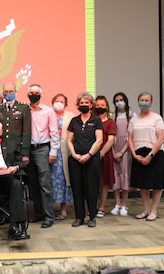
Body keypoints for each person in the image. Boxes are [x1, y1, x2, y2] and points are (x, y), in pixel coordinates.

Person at [128, 92, 164, 222]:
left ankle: (154, 211)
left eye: (146, 100)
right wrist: (134, 154)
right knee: (143, 184)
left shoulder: (156, 118)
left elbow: (161, 138)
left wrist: (151, 155)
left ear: (151, 102)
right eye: (141, 100)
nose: (144, 102)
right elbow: (130, 138)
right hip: (139, 154)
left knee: (156, 184)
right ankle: (146, 209)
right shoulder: (133, 119)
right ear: (138, 101)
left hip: (155, 153)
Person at [25, 84, 60, 228]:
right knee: (33, 183)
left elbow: (54, 132)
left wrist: (53, 152)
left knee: (45, 184)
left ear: (41, 94)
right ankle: (38, 213)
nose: (34, 95)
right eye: (31, 93)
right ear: (28, 95)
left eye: (36, 93)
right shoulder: (25, 110)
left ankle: (49, 216)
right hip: (27, 150)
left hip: (42, 149)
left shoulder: (48, 111)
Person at [67, 92, 103, 228]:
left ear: (91, 105)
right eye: (81, 103)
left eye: (86, 103)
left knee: (91, 189)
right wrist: (74, 154)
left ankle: (92, 217)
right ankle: (79, 217)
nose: (83, 105)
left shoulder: (96, 120)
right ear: (77, 105)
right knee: (77, 189)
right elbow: (69, 140)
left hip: (92, 160)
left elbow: (99, 140)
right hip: (75, 159)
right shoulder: (74, 121)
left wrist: (89, 154)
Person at [110, 92, 135, 216]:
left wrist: (121, 152)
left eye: (121, 99)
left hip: (126, 150)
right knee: (115, 176)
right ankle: (117, 203)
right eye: (116, 100)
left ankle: (124, 204)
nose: (119, 102)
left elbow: (131, 136)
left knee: (125, 175)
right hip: (113, 149)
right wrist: (114, 152)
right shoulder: (112, 116)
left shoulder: (131, 115)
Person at [0, 82, 31, 165]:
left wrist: (25, 153)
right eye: (6, 91)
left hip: (17, 148)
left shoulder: (23, 108)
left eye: (11, 91)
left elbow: (26, 131)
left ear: (15, 92)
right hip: (2, 147)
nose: (8, 93)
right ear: (2, 93)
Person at [50, 93, 74, 220]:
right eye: (56, 100)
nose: (59, 103)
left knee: (63, 179)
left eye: (62, 101)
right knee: (49, 180)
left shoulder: (70, 116)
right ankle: (49, 210)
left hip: (64, 151)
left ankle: (63, 210)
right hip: (49, 150)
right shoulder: (48, 113)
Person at [94, 95, 116, 218]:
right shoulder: (91, 120)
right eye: (97, 105)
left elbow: (111, 140)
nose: (100, 107)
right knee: (93, 182)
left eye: (102, 105)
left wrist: (101, 152)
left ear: (106, 106)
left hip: (105, 155)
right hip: (91, 155)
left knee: (104, 182)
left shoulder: (110, 122)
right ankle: (94, 206)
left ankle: (101, 207)